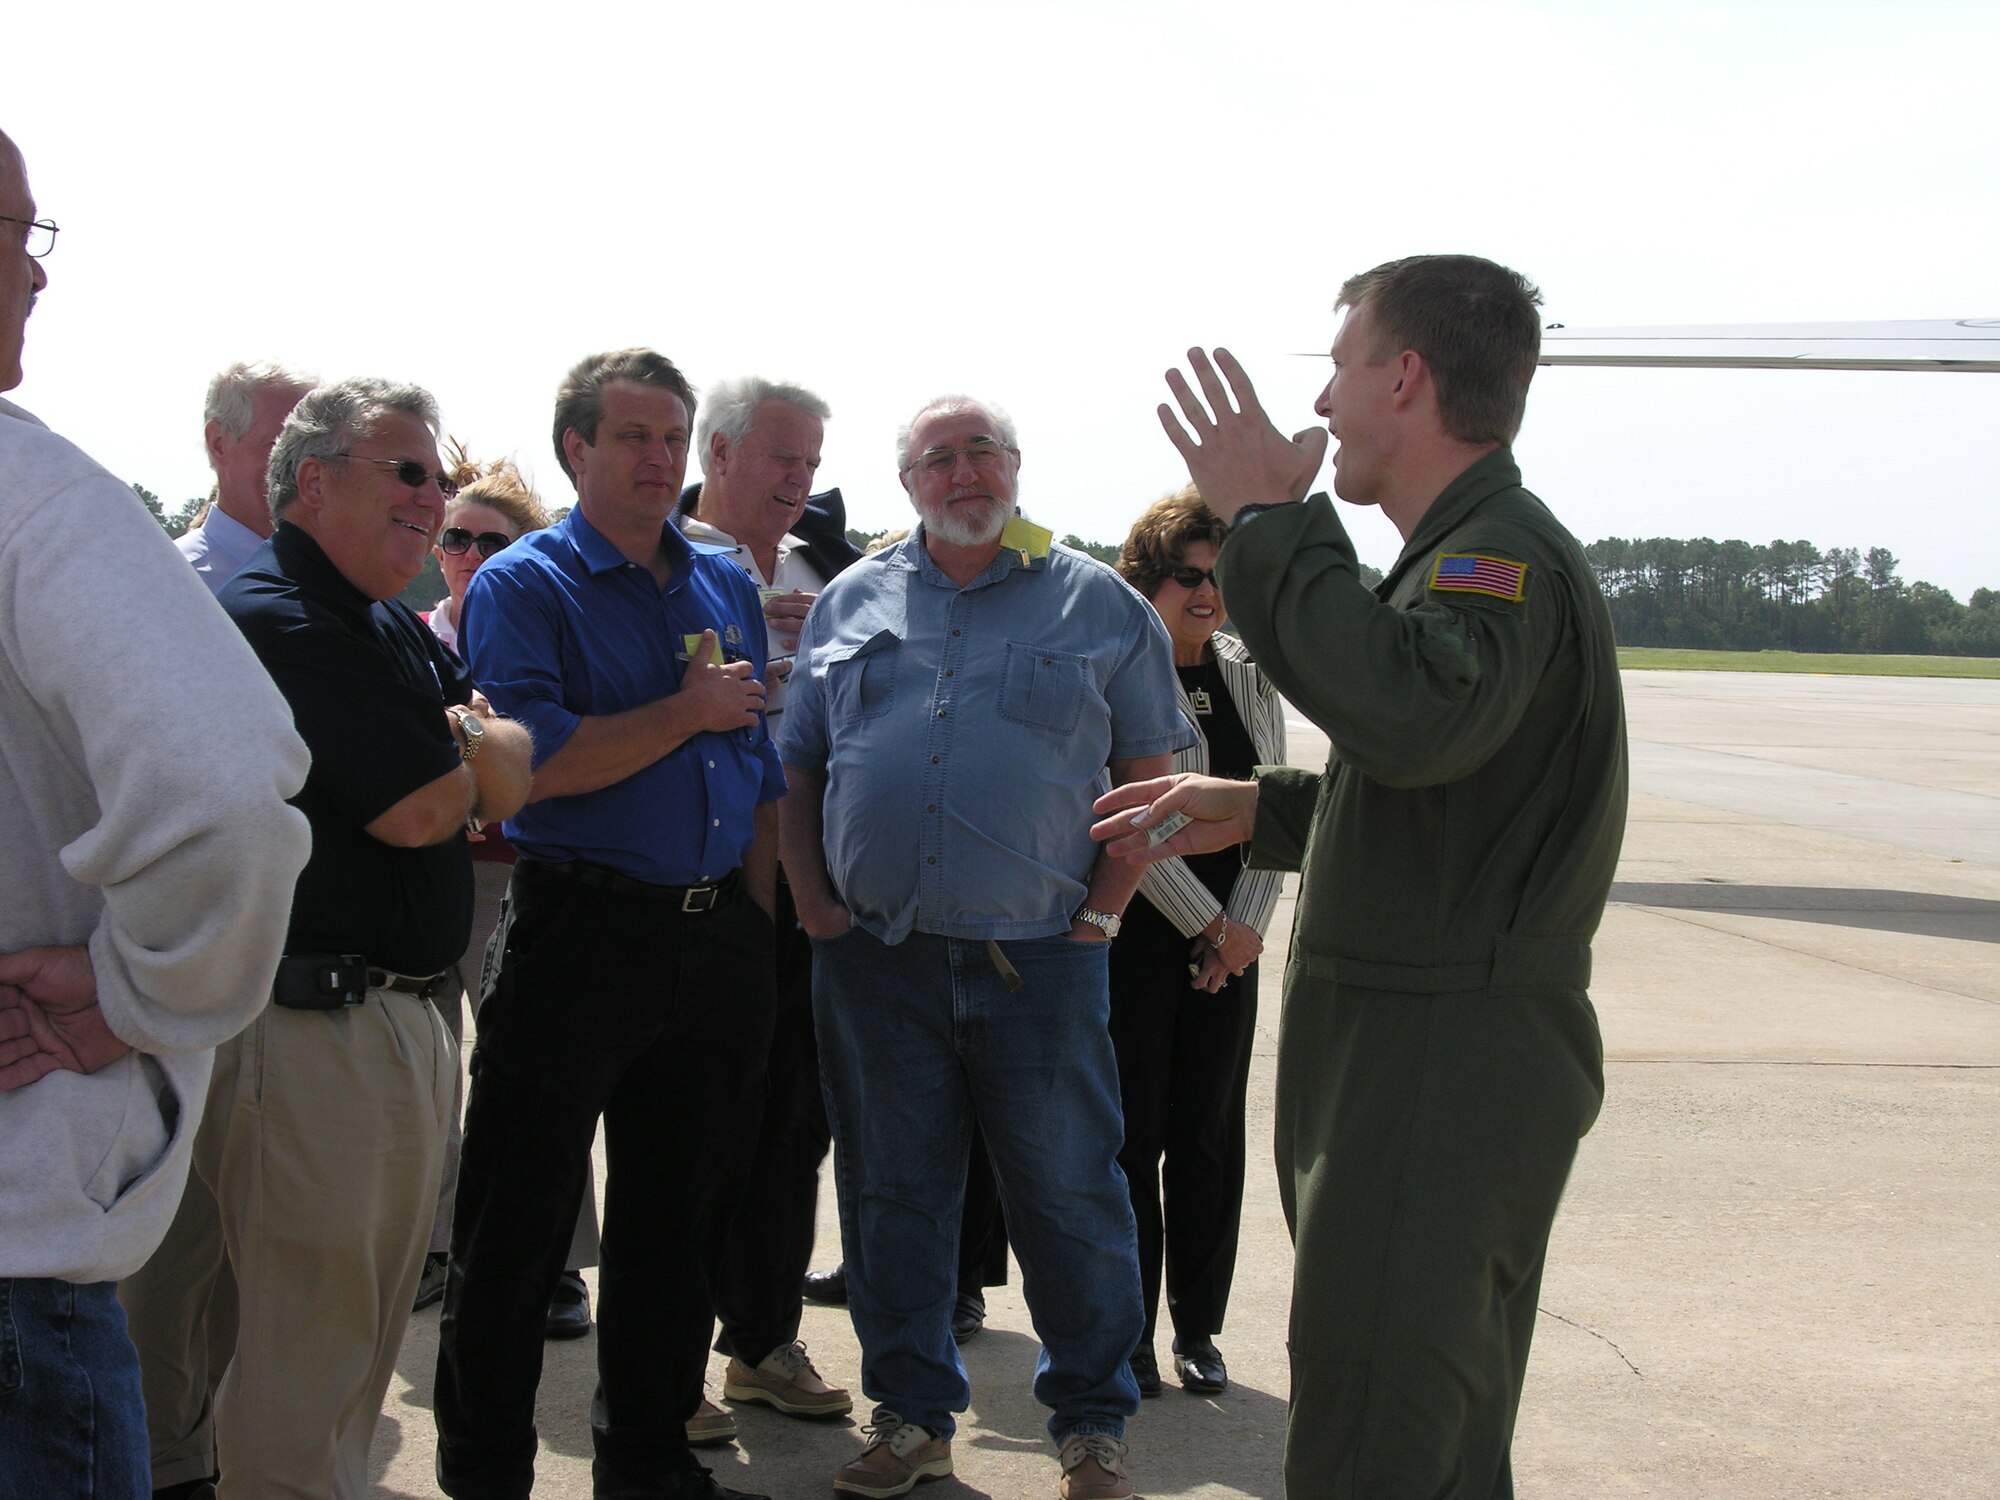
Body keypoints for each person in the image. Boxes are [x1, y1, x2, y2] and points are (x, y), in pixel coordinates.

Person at [1094, 254, 1628, 1499]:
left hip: (1434, 1064)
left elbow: (1410, 717)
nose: (1321, 405)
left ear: (1404, 378)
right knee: (1425, 1434)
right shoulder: (1465, 551)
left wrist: (1270, 523)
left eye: (1339, 368)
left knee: (1376, 1436)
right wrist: (1261, 805)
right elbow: (1453, 793)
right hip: (1430, 1053)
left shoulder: (1493, 560)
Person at [124, 376, 535, 1500]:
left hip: (378, 1025)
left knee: (347, 1352)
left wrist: (468, 754)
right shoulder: (283, 620)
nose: (432, 497)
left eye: (439, 478)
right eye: (407, 472)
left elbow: (501, 746)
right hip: (316, 1032)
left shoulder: (380, 627)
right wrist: (471, 760)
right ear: (314, 480)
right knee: (308, 1370)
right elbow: (425, 805)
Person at [777, 393, 1193, 1500]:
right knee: (893, 1195)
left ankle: (1091, 1430)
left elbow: (1150, 786)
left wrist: (1103, 913)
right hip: (875, 961)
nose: (961, 474)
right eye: (936, 458)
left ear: (1014, 468)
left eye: (980, 454)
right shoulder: (851, 599)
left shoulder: (1100, 605)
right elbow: (801, 764)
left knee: (1067, 1197)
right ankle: (910, 1417)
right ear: (906, 480)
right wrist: (816, 907)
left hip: (1041, 960)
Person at [0, 125, 311, 1500]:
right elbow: (224, 785)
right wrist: (135, 996)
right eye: (19, 232)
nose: (37, 273)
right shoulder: (30, 493)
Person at [435, 348, 784, 1500]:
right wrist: (684, 711)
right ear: (574, 448)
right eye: (632, 436)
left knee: (673, 1228)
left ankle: (645, 1459)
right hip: (582, 934)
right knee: (516, 1232)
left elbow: (758, 769)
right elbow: (529, 769)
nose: (658, 458)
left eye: (672, 436)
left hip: (712, 936)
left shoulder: (721, 582)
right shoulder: (525, 584)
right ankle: (486, 1472)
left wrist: (757, 926)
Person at [676, 376, 857, 1434]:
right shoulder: (660, 561)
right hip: (703, 887)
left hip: (808, 887)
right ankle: (666, 1360)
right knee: (692, 1124)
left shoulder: (822, 566)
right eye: (780, 459)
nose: (798, 482)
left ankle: (759, 1341)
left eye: (810, 463)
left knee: (791, 1122)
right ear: (719, 452)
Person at [411, 461, 601, 1334]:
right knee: (430, 1070)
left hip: (517, 868)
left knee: (540, 1071)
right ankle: (439, 1244)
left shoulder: (541, 632)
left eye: (495, 540)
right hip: (425, 872)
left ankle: (559, 1261)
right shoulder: (408, 637)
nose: (471, 553)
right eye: (457, 537)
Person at [1107, 485, 1286, 1399]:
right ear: (1147, 580)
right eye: (1187, 577)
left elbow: (1275, 807)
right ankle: (1129, 1333)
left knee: (1210, 1139)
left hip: (1234, 944)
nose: (1205, 595)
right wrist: (1209, 925)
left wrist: (1244, 929)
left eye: (1217, 578)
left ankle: (1199, 1329)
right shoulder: (1119, 670)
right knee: (1134, 1137)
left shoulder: (1246, 673)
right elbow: (1128, 822)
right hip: (1141, 933)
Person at [177, 361, 315, 594]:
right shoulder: (178, 583)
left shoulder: (344, 584)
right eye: (279, 445)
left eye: (316, 448)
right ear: (219, 444)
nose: (306, 468)